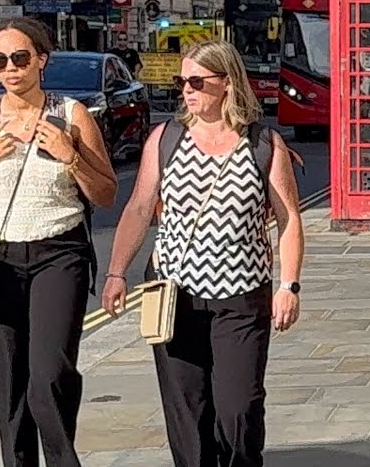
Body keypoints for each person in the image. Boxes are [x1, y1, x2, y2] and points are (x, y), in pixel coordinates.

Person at [100, 39, 304, 466]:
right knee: (188, 411)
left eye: (196, 82)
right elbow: (139, 207)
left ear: (227, 82)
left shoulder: (263, 143)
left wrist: (288, 285)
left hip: (242, 295)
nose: (186, 91)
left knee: (239, 407)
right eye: (182, 82)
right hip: (175, 293)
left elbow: (288, 219)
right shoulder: (166, 138)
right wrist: (117, 272)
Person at [0, 17, 118, 467]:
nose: (9, 68)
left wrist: (71, 156)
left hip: (58, 253)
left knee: (49, 375)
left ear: (42, 60)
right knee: (10, 384)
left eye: (20, 58)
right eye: (0, 60)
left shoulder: (71, 115)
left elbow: (106, 193)